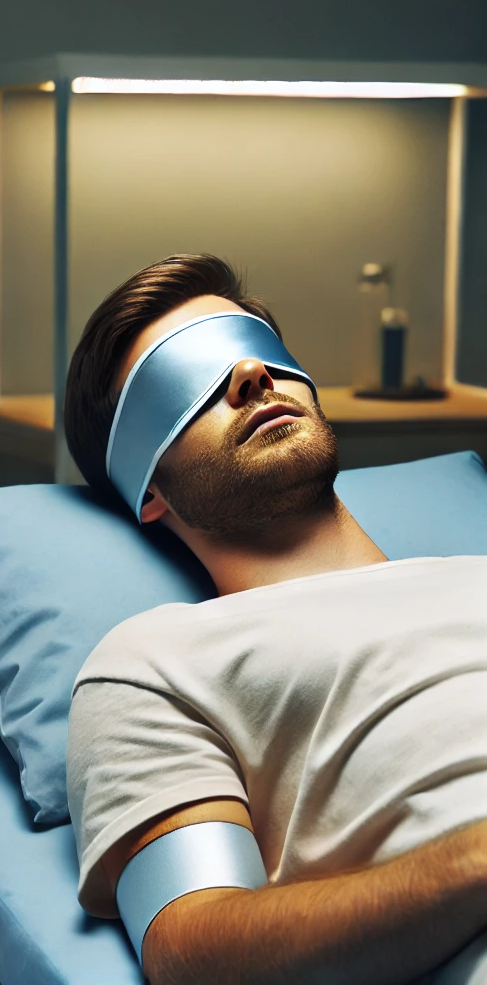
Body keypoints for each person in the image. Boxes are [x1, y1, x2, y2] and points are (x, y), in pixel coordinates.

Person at [62, 253, 487, 985]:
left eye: (262, 354)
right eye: (187, 379)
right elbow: (194, 951)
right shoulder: (154, 661)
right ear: (149, 489)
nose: (250, 377)